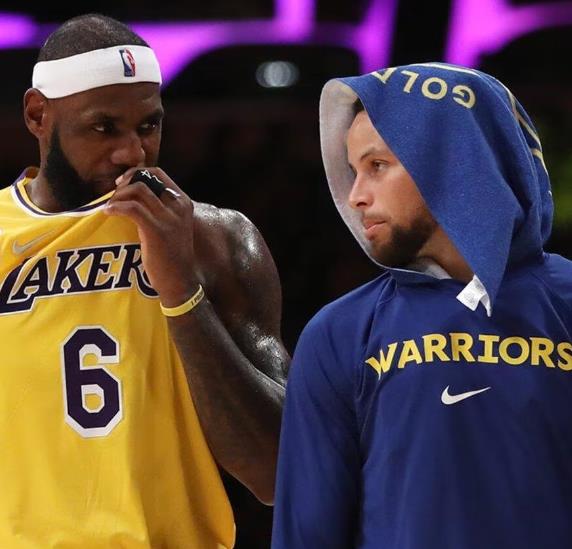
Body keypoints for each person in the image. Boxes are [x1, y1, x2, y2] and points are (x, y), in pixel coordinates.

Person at [0, 13, 289, 548]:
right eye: (103, 128)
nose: (132, 153)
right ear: (38, 114)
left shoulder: (215, 239)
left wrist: (180, 291)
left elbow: (277, 471)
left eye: (148, 126)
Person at [271, 62, 572, 548]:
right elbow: (306, 534)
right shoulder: (339, 333)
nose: (355, 196)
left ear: (452, 159)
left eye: (377, 165)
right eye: (353, 171)